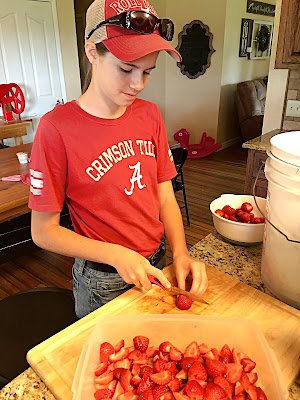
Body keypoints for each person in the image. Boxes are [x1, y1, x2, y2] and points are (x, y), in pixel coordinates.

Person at [29, 0, 208, 318]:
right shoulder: (56, 127)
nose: (137, 84)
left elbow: (165, 196)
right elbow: (43, 231)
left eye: (147, 72)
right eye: (126, 69)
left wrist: (180, 253)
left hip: (156, 259)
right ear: (92, 52)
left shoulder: (150, 114)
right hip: (104, 278)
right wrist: (116, 254)